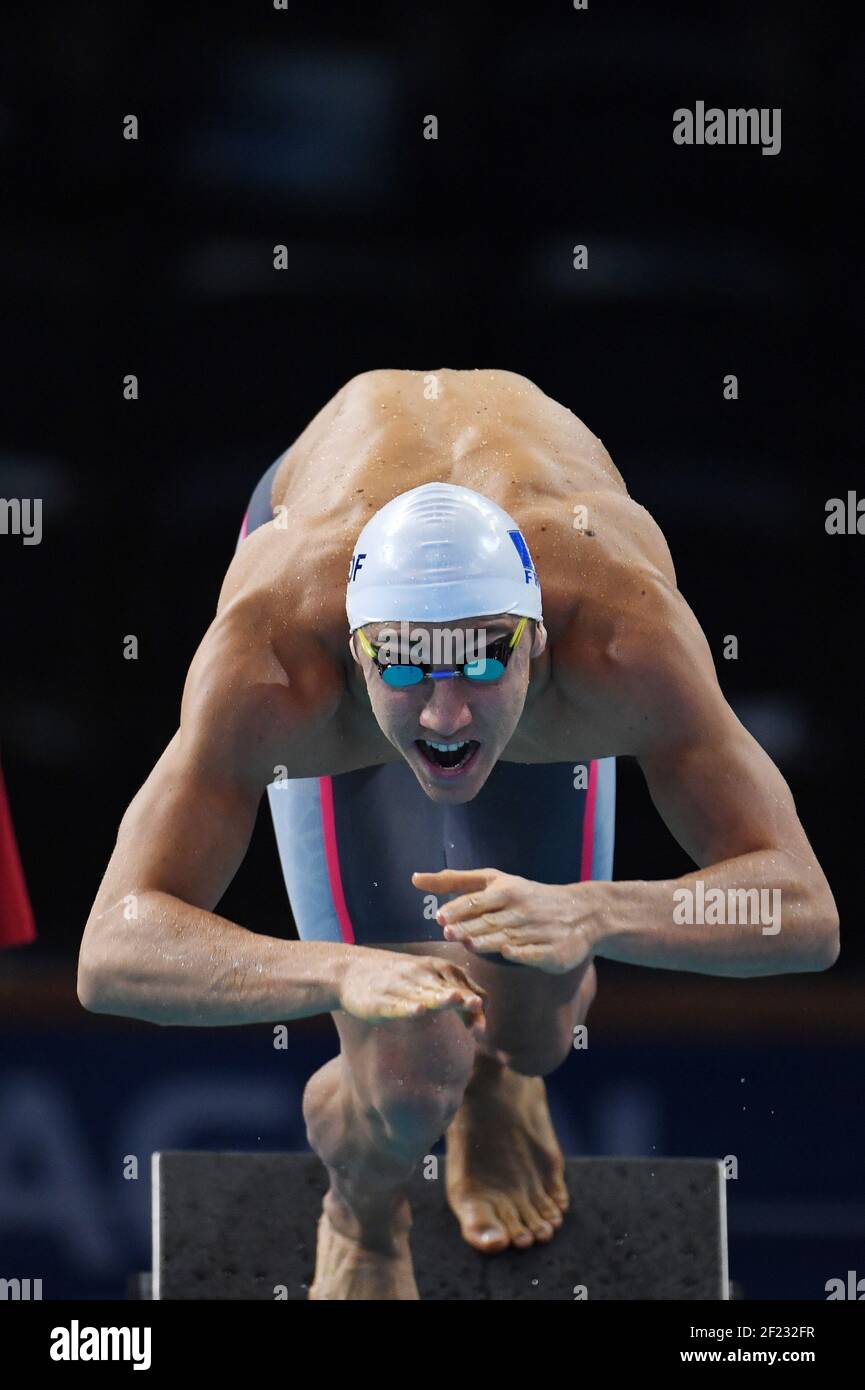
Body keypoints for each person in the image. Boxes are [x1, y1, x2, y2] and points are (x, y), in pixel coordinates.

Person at [78, 368, 839, 1300]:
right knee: (407, 1065)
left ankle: (507, 1081)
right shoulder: (279, 662)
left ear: (538, 641)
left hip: (556, 578)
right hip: (317, 531)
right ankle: (359, 1211)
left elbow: (804, 910)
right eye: (405, 666)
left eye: (484, 657)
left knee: (536, 1028)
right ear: (357, 652)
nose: (444, 715)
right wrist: (340, 972)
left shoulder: (619, 641)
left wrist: (594, 913)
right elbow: (112, 947)